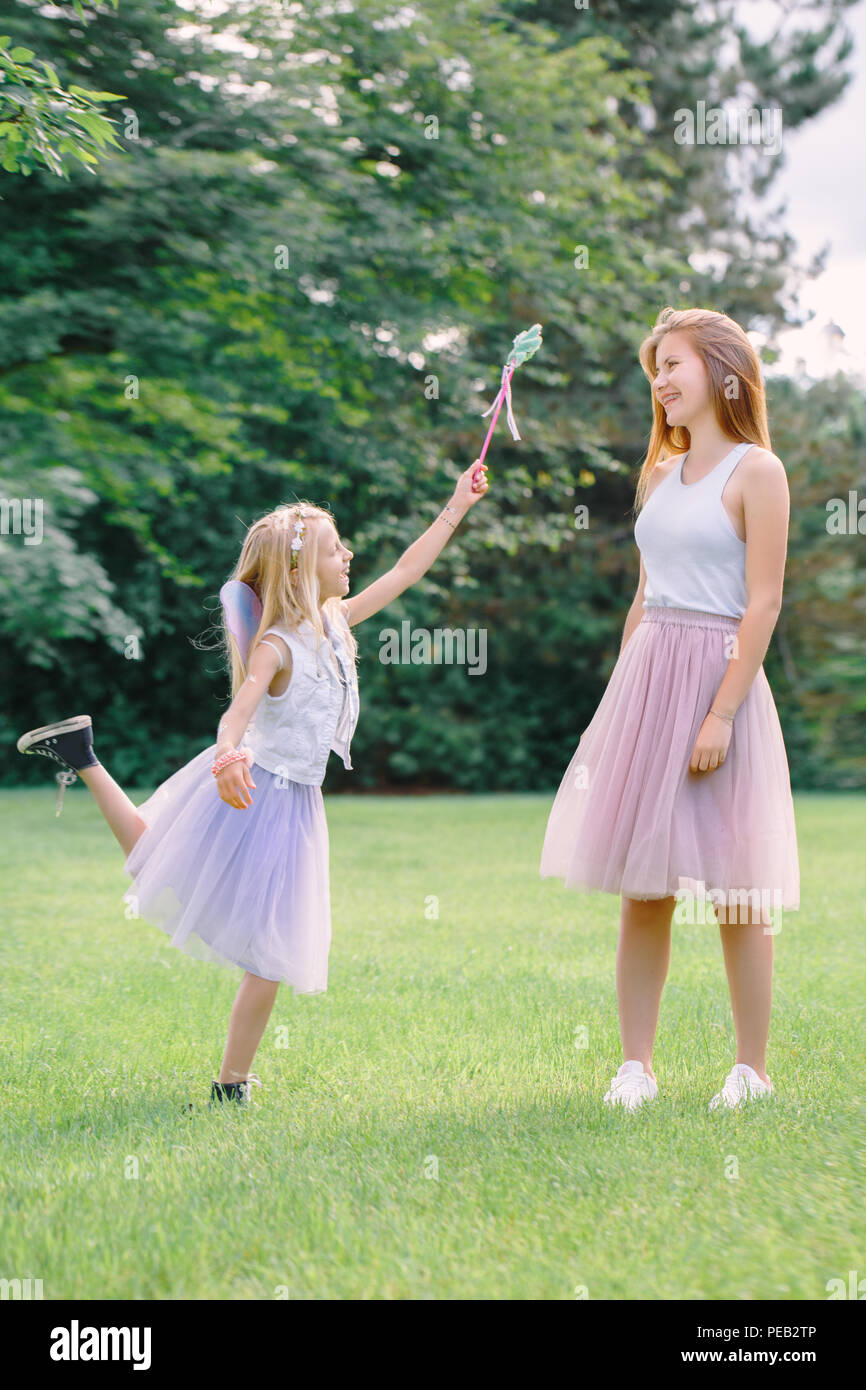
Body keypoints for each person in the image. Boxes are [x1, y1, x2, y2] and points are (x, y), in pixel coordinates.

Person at [17, 460, 489, 1110]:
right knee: (245, 931)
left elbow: (407, 570)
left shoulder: (336, 623)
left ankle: (80, 753)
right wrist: (226, 757)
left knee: (213, 902)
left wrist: (456, 506)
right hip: (249, 786)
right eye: (333, 547)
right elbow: (235, 716)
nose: (347, 553)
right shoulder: (277, 645)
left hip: (295, 801)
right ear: (297, 571)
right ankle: (231, 1083)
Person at [540, 306, 799, 1112]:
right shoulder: (658, 475)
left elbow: (763, 604)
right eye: (655, 369)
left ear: (722, 370)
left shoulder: (758, 471)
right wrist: (621, 701)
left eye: (673, 364)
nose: (660, 381)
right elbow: (644, 598)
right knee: (643, 885)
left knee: (738, 887)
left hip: (721, 680)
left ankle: (750, 1070)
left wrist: (720, 714)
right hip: (651, 681)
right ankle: (636, 1066)